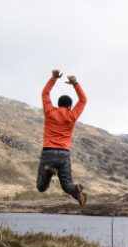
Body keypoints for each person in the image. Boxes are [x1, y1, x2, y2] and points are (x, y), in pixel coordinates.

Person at [36, 69, 88, 205]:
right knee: (66, 185)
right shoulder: (71, 116)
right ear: (70, 106)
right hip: (63, 155)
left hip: (48, 152)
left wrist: (53, 78)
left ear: (58, 104)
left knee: (41, 187)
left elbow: (45, 93)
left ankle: (48, 172)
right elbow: (83, 100)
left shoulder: (50, 112)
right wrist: (75, 83)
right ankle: (77, 191)